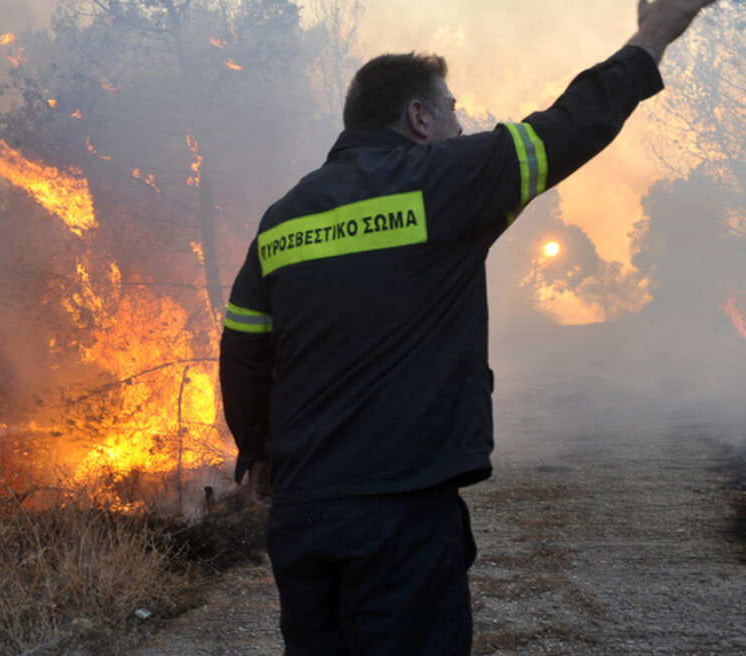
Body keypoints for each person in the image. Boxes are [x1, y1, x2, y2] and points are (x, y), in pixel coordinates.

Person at [218, 1, 720, 654]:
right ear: (419, 118)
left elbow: (243, 346)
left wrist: (258, 449)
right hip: (400, 513)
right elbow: (573, 125)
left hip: (304, 515)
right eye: (452, 110)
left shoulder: (283, 217)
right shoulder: (441, 182)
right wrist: (654, 35)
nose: (463, 125)